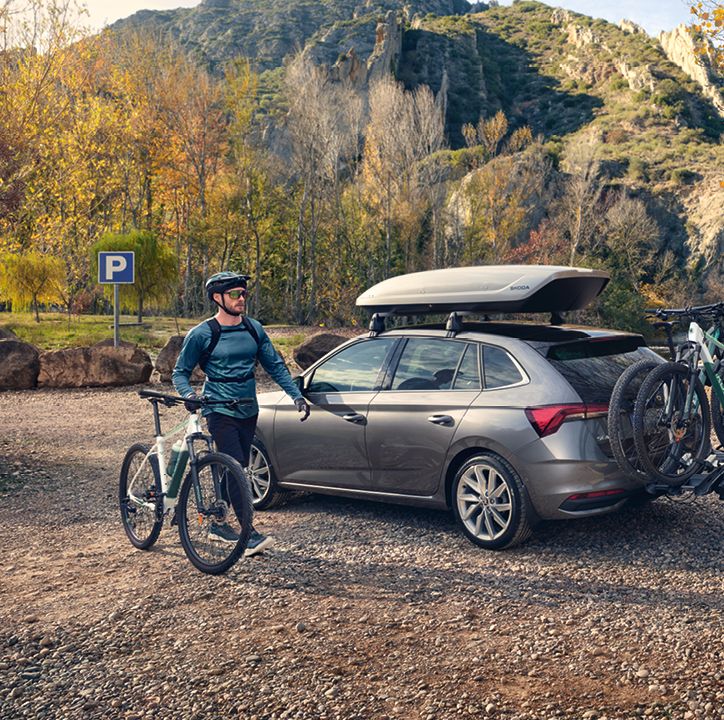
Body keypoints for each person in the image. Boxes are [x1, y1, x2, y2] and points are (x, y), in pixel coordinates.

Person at [172, 271, 310, 556]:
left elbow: (275, 366)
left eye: (244, 293)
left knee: (236, 467)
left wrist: (296, 396)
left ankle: (219, 523)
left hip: (248, 408)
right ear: (217, 298)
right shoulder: (202, 334)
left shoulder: (253, 329)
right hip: (218, 408)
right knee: (236, 466)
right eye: (235, 294)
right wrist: (188, 394)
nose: (242, 299)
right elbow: (180, 373)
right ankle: (247, 532)